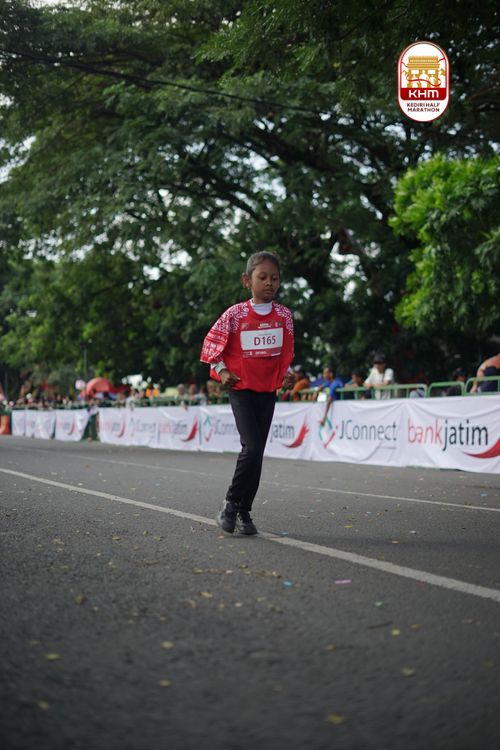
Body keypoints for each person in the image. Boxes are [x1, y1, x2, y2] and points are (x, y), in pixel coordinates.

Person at [200, 251, 295, 535]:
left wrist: (287, 373)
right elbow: (211, 345)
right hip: (241, 389)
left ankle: (244, 511)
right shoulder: (235, 314)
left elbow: (284, 353)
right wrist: (221, 371)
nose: (269, 283)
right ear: (247, 280)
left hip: (267, 391)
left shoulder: (284, 316)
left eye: (274, 278)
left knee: (257, 453)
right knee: (251, 448)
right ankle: (230, 505)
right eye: (262, 277)